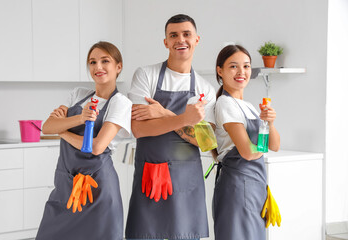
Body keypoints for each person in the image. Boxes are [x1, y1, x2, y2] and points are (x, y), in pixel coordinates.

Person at [125, 14, 216, 240]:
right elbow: (139, 129)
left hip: (187, 179)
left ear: (197, 39)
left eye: (186, 34)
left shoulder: (205, 89)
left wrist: (163, 114)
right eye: (173, 35)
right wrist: (186, 119)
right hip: (151, 173)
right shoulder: (146, 75)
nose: (180, 40)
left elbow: (206, 142)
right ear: (165, 41)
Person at [36, 41, 132, 240]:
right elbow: (46, 127)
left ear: (118, 67)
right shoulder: (78, 95)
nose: (98, 67)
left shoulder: (120, 102)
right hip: (66, 183)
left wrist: (61, 130)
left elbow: (96, 147)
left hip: (97, 188)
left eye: (105, 61)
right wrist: (81, 118)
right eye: (92, 62)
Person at [212, 44, 280, 240]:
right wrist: (263, 141)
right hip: (238, 187)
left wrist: (270, 123)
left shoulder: (248, 106)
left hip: (254, 186)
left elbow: (274, 145)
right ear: (220, 71)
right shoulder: (225, 103)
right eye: (233, 66)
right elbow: (248, 153)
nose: (241, 72)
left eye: (246, 66)